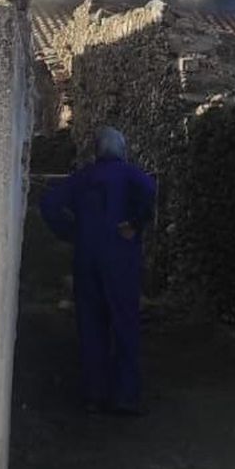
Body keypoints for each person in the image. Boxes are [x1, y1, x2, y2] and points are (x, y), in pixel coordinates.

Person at [39, 126, 158, 414]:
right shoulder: (130, 175)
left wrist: (71, 232)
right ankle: (125, 396)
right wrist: (136, 223)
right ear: (123, 150)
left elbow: (49, 204)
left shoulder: (84, 177)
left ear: (96, 151)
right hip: (120, 258)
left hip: (87, 258)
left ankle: (95, 393)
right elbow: (151, 191)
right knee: (124, 324)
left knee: (92, 326)